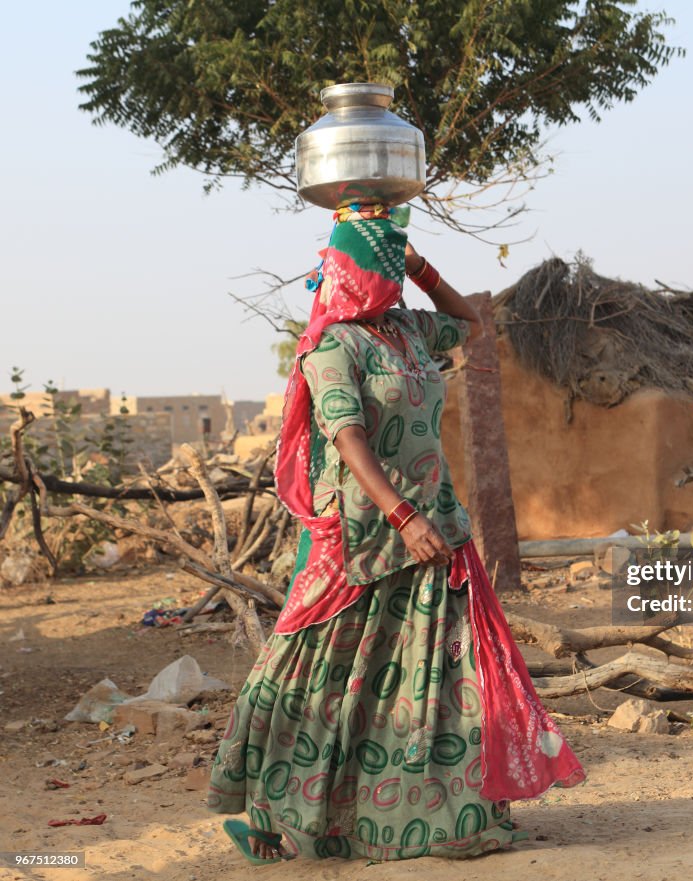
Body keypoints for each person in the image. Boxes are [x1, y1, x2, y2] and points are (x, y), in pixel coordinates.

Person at [207, 204, 585, 863]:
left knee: (431, 676)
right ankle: (280, 816)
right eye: (382, 266)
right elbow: (347, 435)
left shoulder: (408, 333)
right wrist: (400, 517)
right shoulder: (331, 347)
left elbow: (472, 324)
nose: (387, 279)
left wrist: (419, 264)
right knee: (312, 671)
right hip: (361, 535)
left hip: (434, 521)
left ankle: (446, 817)